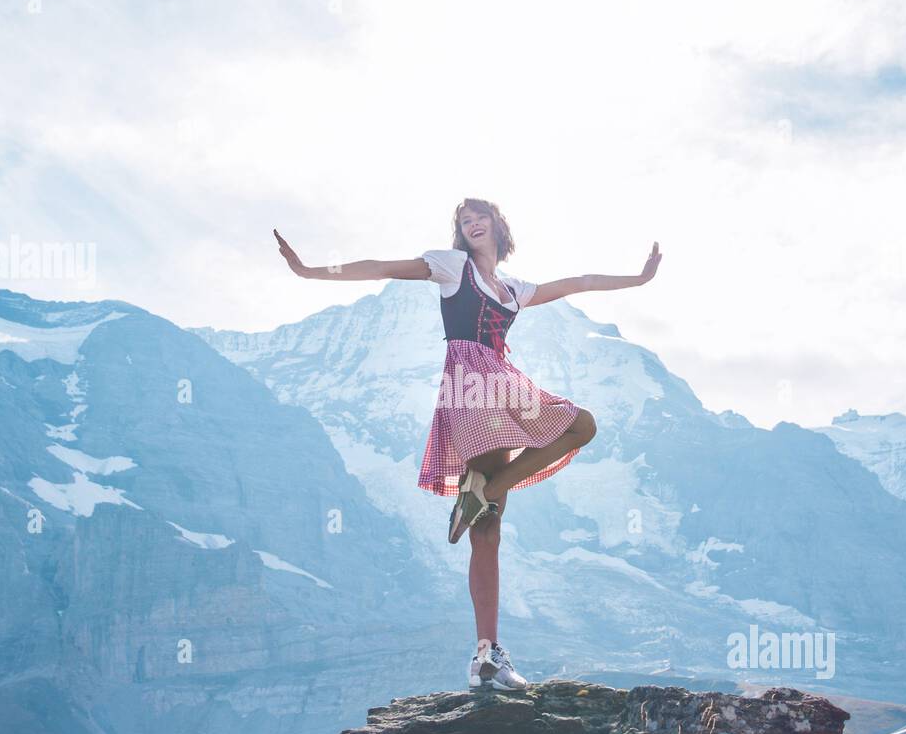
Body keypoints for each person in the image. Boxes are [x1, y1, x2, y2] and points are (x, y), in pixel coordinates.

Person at [274, 198, 661, 691]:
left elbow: (580, 282)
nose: (472, 224)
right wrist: (310, 271)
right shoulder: (451, 266)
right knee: (511, 501)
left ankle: (484, 625)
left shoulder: (516, 289)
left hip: (502, 385)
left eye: (479, 217)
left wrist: (638, 279)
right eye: (464, 220)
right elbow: (382, 267)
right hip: (471, 383)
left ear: (499, 225)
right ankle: (486, 633)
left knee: (543, 465)